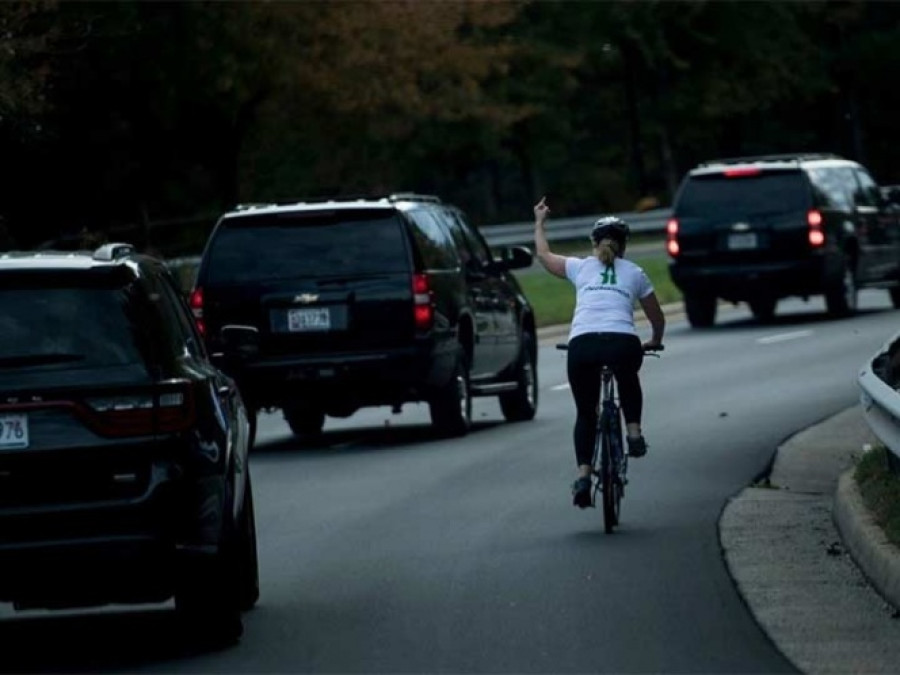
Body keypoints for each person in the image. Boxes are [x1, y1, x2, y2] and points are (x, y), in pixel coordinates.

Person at [533, 196, 665, 509]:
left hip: (582, 345)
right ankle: (633, 432)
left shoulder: (580, 267)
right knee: (628, 377)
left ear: (594, 243)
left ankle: (583, 475)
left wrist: (539, 222)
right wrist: (655, 339)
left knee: (585, 412)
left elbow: (543, 254)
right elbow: (656, 316)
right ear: (625, 245)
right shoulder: (635, 272)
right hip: (622, 342)